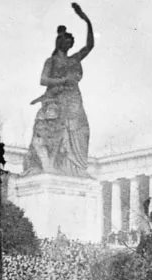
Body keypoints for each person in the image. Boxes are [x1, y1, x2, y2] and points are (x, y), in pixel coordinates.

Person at [25, 3, 93, 176]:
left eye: (72, 41)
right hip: (58, 98)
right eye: (67, 40)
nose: (70, 42)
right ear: (60, 42)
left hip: (75, 98)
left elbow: (89, 46)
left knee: (82, 130)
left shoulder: (74, 58)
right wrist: (64, 80)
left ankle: (78, 168)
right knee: (63, 132)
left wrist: (86, 20)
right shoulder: (51, 60)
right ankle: (63, 166)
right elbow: (43, 80)